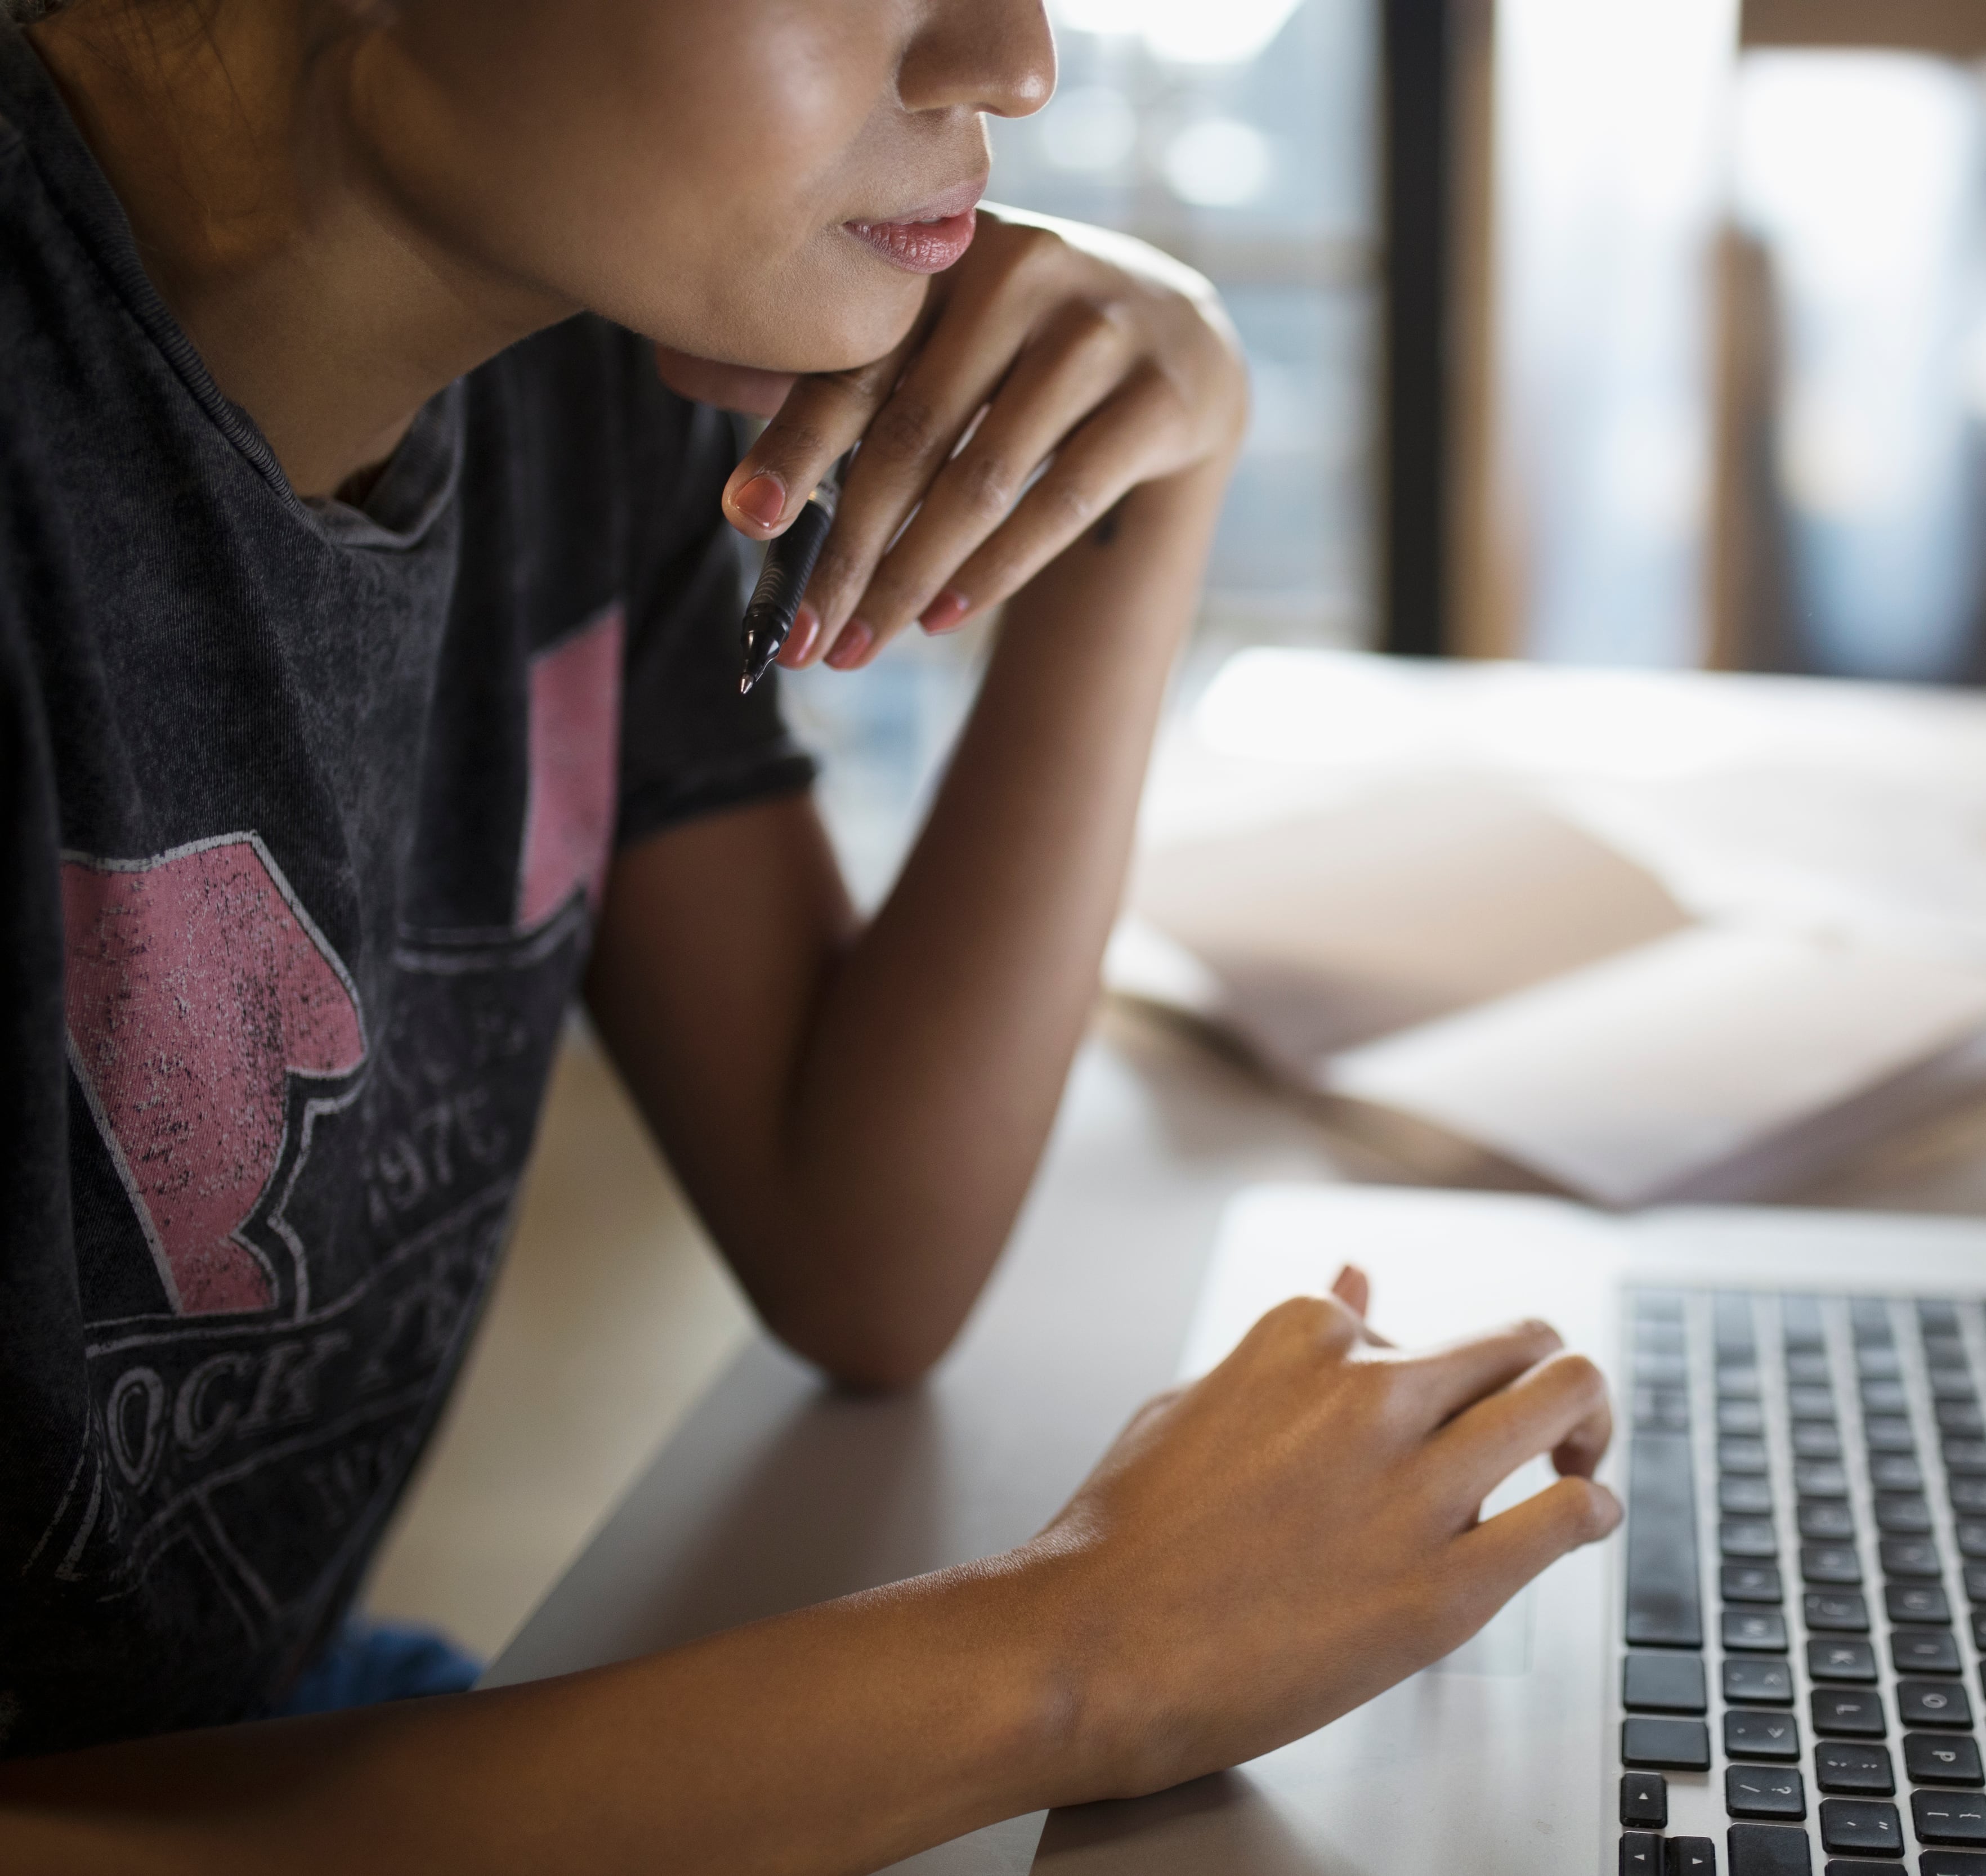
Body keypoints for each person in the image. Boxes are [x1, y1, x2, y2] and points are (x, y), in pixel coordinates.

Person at [0, 0, 1622, 1867]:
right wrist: (1076, 1655)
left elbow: (864, 1244)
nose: (1012, 61)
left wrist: (1147, 468)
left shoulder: (559, 372)